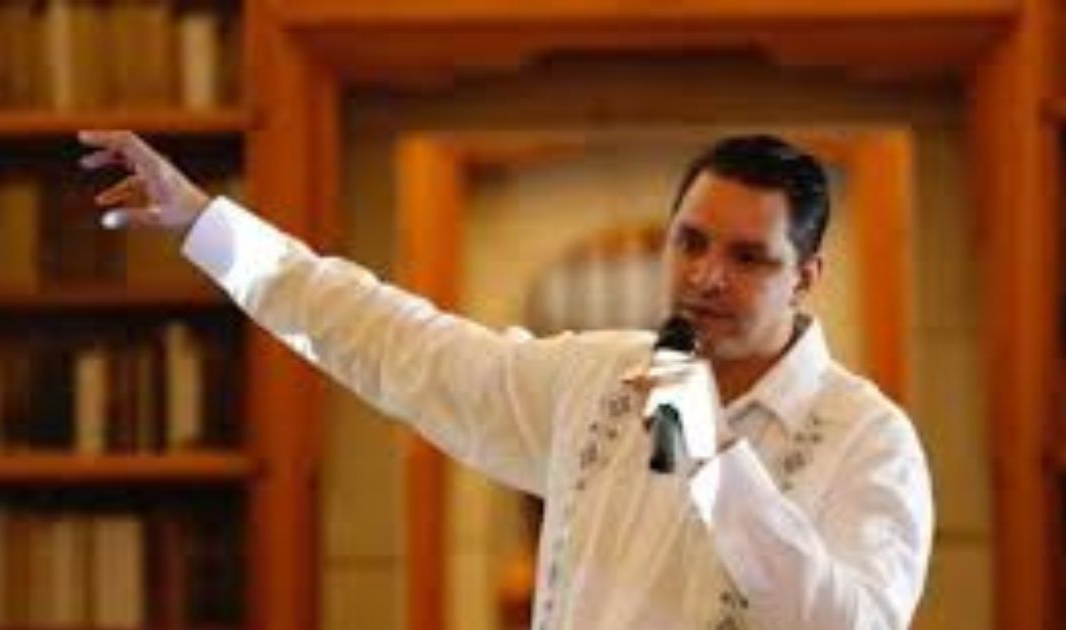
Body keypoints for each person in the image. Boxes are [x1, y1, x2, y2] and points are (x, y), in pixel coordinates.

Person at [77, 130, 933, 629]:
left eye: (748, 257)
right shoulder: (600, 378)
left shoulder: (870, 441)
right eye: (691, 241)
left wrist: (709, 452)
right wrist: (208, 226)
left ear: (806, 275)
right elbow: (396, 341)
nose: (706, 276)